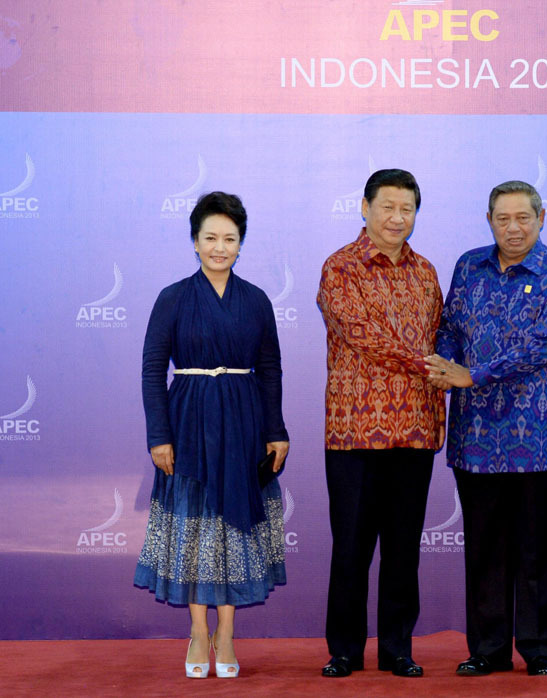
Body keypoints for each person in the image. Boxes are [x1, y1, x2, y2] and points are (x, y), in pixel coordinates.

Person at [425, 180, 547, 677]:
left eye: (523, 217)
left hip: (542, 438)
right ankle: (488, 649)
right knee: (485, 550)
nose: (513, 228)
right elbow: (449, 325)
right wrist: (445, 363)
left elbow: (545, 343)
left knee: (538, 551)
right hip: (477, 438)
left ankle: (540, 651)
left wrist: (473, 374)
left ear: (542, 217)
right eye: (503, 219)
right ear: (489, 219)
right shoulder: (468, 267)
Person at [134, 191, 290, 679]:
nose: (220, 247)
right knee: (197, 528)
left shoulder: (257, 300)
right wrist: (159, 436)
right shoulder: (174, 297)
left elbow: (270, 369)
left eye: (230, 239)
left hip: (244, 421)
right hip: (189, 419)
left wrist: (276, 430)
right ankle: (198, 632)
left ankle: (227, 634)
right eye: (210, 238)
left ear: (241, 244)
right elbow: (152, 368)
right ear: (194, 242)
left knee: (233, 528)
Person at [316, 169, 445, 679]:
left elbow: (443, 334)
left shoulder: (426, 271)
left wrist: (454, 369)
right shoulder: (340, 268)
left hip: (414, 430)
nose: (397, 217)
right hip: (354, 432)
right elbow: (363, 335)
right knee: (350, 548)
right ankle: (344, 649)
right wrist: (431, 366)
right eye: (387, 206)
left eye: (407, 208)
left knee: (402, 550)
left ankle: (397, 648)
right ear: (364, 207)